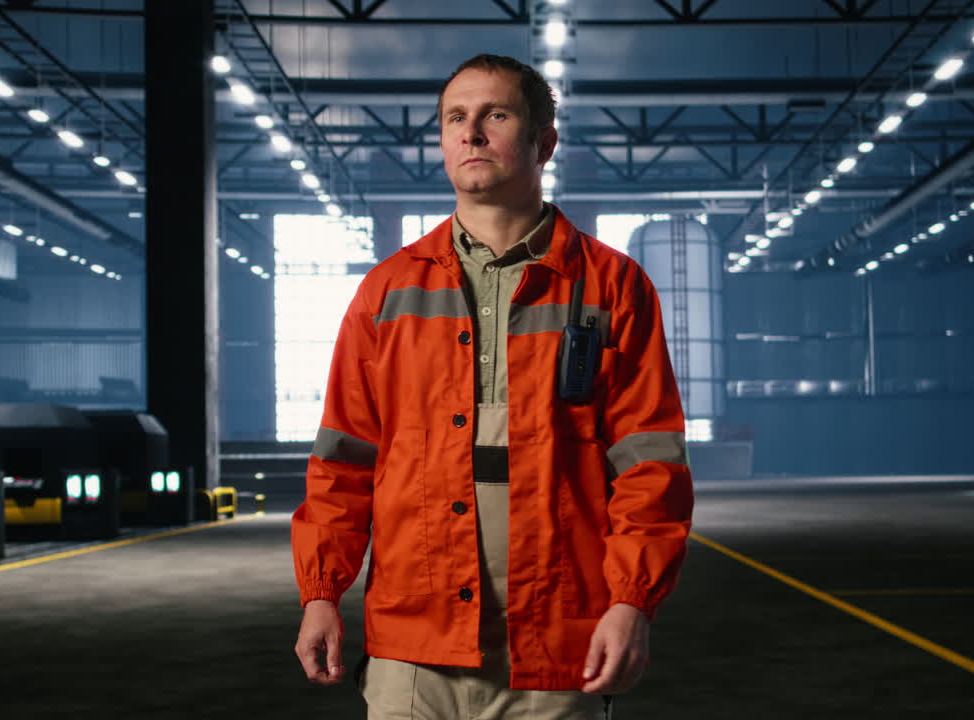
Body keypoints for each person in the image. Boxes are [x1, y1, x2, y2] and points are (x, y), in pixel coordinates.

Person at [291, 53, 694, 719]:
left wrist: (632, 603)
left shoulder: (613, 288)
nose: (470, 133)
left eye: (494, 115)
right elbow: (343, 462)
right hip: (414, 644)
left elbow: (650, 465)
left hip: (560, 641)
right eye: (455, 118)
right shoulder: (387, 293)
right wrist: (320, 594)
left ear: (544, 143)